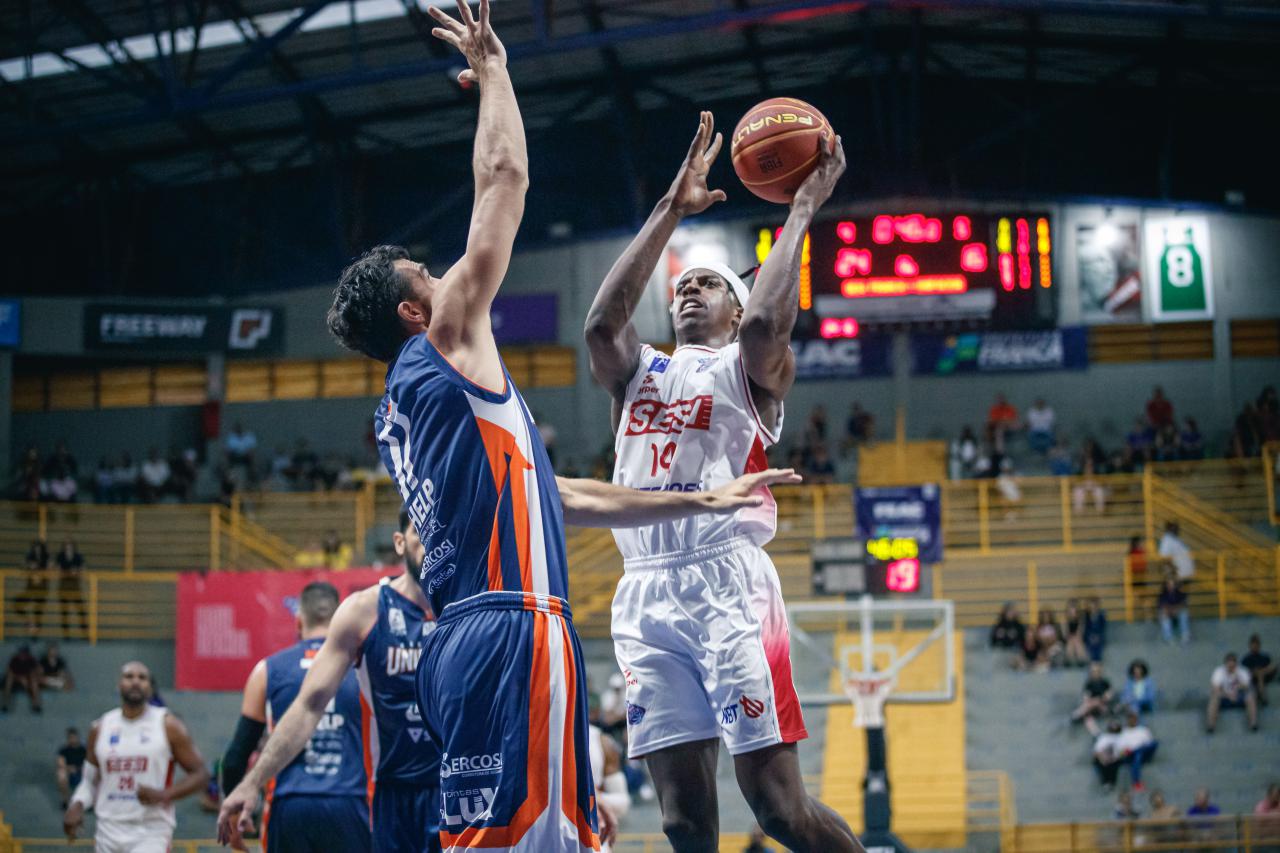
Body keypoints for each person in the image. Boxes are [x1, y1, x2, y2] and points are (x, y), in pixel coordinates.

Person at [317, 7, 804, 847]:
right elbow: (504, 179)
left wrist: (701, 498)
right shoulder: (445, 339)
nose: (447, 276)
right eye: (428, 275)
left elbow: (558, 494)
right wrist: (493, 67)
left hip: (455, 642)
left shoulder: (398, 412)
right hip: (514, 628)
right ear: (412, 308)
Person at [583, 106, 857, 852]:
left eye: (710, 285)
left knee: (777, 809)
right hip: (644, 591)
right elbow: (601, 329)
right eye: (683, 285)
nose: (689, 290)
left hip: (727, 585)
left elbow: (772, 325)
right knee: (682, 820)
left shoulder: (748, 368)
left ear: (735, 311)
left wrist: (803, 206)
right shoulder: (639, 374)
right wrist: (671, 209)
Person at [221, 516, 442, 853]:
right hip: (388, 795)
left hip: (458, 787)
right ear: (400, 542)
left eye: (440, 531)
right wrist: (251, 783)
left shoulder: (472, 608)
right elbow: (308, 705)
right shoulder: (364, 610)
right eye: (421, 532)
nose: (432, 542)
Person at [219, 582, 372, 852]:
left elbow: (235, 757)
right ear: (340, 620)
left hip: (290, 805)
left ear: (298, 621)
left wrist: (234, 811)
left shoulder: (267, 670)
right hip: (352, 802)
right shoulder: (364, 668)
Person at [63, 662, 209, 852]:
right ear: (119, 684)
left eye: (142, 678)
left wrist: (163, 794)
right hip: (108, 829)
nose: (135, 682)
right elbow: (89, 781)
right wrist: (77, 804)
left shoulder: (168, 725)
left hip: (150, 830)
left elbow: (202, 775)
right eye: (129, 677)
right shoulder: (100, 728)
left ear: (150, 687)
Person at [1206, 652, 1259, 733]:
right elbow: (1215, 688)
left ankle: (1253, 724)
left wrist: (1237, 688)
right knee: (1214, 698)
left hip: (1239, 696)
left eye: (1233, 666)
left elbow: (1247, 686)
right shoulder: (1219, 671)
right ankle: (1211, 726)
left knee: (1250, 697)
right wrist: (1228, 695)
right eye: (1229, 666)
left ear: (1236, 664)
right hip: (1224, 697)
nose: (1231, 668)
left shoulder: (1242, 671)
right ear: (1225, 664)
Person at [1115, 711, 1158, 792]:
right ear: (1127, 720)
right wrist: (1127, 752)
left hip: (1144, 753)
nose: (1132, 720)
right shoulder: (1123, 733)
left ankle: (1136, 751)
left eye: (1134, 718)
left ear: (1137, 719)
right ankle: (1136, 782)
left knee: (1154, 744)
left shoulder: (1143, 730)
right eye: (1130, 719)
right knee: (1137, 755)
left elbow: (1149, 744)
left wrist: (1137, 749)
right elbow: (1119, 751)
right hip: (1129, 756)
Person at [16, 537, 52, 634]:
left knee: (38, 610)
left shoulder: (46, 556)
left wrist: (41, 569)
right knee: (17, 605)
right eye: (35, 547)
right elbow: (22, 565)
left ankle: (35, 632)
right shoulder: (29, 555)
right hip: (31, 588)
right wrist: (29, 566)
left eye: (39, 547)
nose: (37, 549)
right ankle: (29, 623)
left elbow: (50, 568)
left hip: (42, 588)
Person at [55, 538, 89, 637]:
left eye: (70, 545)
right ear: (64, 547)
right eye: (66, 545)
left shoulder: (78, 556)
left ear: (73, 547)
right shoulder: (60, 556)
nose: (68, 547)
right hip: (63, 586)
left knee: (81, 610)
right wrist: (65, 571)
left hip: (75, 586)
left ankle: (85, 633)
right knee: (64, 611)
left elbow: (84, 567)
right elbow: (56, 567)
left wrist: (77, 570)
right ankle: (66, 634)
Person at [1070, 662, 1113, 736]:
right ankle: (1095, 732)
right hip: (1091, 706)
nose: (1095, 673)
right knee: (1087, 716)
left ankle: (1078, 713)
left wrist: (1100, 699)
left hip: (1102, 706)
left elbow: (1108, 695)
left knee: (1091, 704)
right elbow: (1086, 696)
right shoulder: (1089, 683)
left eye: (1097, 671)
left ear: (1100, 672)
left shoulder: (1105, 682)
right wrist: (1090, 700)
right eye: (1093, 671)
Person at [2, 644, 43, 713]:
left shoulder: (31, 659)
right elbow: (8, 672)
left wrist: (29, 677)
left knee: (33, 682)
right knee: (9, 679)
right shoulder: (14, 659)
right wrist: (19, 678)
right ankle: (5, 704)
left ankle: (36, 704)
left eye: (24, 652)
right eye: (21, 652)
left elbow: (39, 670)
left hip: (28, 681)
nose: (22, 654)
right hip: (15, 681)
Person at [57, 727, 87, 809]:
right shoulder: (63, 750)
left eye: (74, 737)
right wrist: (69, 768)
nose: (73, 740)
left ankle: (90, 801)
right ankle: (66, 801)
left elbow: (89, 763)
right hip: (69, 773)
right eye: (71, 738)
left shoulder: (84, 750)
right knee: (61, 774)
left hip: (82, 772)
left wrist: (80, 769)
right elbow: (60, 764)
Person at [1242, 634, 1277, 706]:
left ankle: (1261, 695)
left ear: (1259, 645)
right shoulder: (1246, 659)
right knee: (1259, 674)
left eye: (1256, 645)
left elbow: (1272, 666)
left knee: (1261, 672)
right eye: (1253, 645)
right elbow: (1244, 672)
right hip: (1252, 677)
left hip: (1266, 675)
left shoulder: (1265, 657)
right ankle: (1262, 696)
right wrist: (1255, 672)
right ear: (1250, 646)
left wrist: (1263, 670)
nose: (1255, 647)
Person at [1092, 718, 1124, 792]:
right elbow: (1097, 750)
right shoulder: (1104, 737)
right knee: (1101, 763)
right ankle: (1106, 783)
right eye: (1112, 724)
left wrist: (1114, 758)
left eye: (1115, 724)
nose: (1114, 726)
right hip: (1104, 757)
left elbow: (1124, 750)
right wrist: (1102, 758)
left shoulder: (1122, 736)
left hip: (1117, 758)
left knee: (1113, 764)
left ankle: (1111, 782)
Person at [1156, 576, 1190, 645]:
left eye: (1172, 584)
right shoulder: (1162, 595)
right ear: (1166, 585)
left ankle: (1185, 635)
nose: (1170, 586)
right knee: (1163, 615)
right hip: (1167, 612)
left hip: (1176, 611)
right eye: (1168, 584)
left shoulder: (1179, 593)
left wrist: (1176, 609)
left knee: (1184, 613)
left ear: (1175, 585)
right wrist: (1170, 610)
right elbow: (1162, 606)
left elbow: (1183, 603)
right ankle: (1168, 637)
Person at [1063, 600, 1088, 666]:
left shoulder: (1081, 620)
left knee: (1076, 642)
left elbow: (1080, 633)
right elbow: (1065, 635)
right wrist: (1071, 637)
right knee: (1071, 642)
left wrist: (1075, 637)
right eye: (1071, 610)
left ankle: (1081, 660)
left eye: (1074, 609)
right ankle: (1069, 660)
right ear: (1068, 611)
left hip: (1078, 640)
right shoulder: (1065, 620)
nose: (1072, 612)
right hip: (1068, 640)